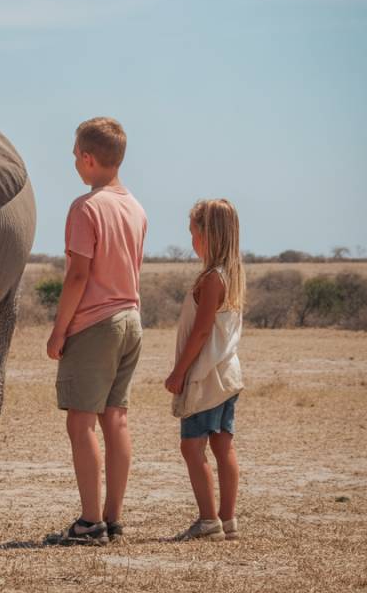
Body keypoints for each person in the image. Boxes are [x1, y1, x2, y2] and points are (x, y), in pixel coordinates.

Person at [44, 117, 147, 546]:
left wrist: (58, 330)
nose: (73, 163)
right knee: (116, 419)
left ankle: (89, 523)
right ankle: (112, 517)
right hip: (131, 320)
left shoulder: (85, 208)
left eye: (74, 156)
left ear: (88, 159)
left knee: (82, 423)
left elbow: (78, 276)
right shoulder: (135, 207)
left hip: (95, 324)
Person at [164, 199, 245, 541]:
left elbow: (200, 332)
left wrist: (178, 372)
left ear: (208, 235)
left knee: (192, 447)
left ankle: (208, 520)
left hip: (205, 376)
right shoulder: (233, 274)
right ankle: (227, 520)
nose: (192, 242)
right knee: (222, 444)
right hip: (227, 374)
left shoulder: (212, 278)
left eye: (194, 234)